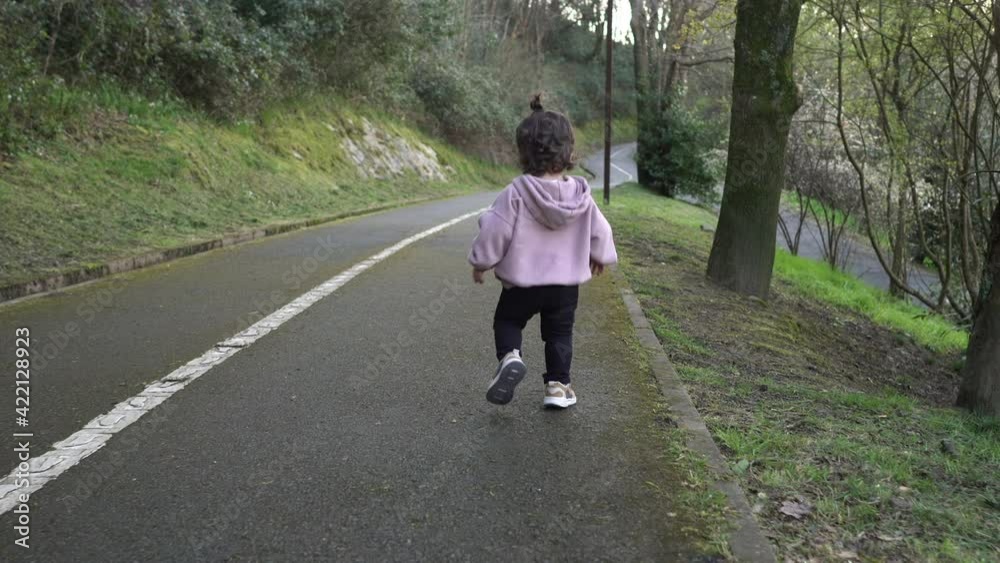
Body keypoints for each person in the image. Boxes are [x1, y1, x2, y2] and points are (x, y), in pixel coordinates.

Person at [468, 94, 617, 409]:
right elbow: (602, 230)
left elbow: (495, 230)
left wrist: (481, 262)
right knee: (559, 334)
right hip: (564, 287)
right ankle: (558, 387)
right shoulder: (581, 195)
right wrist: (600, 255)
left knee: (508, 321)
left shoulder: (516, 193)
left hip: (522, 283)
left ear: (523, 153)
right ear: (569, 151)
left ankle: (510, 356)